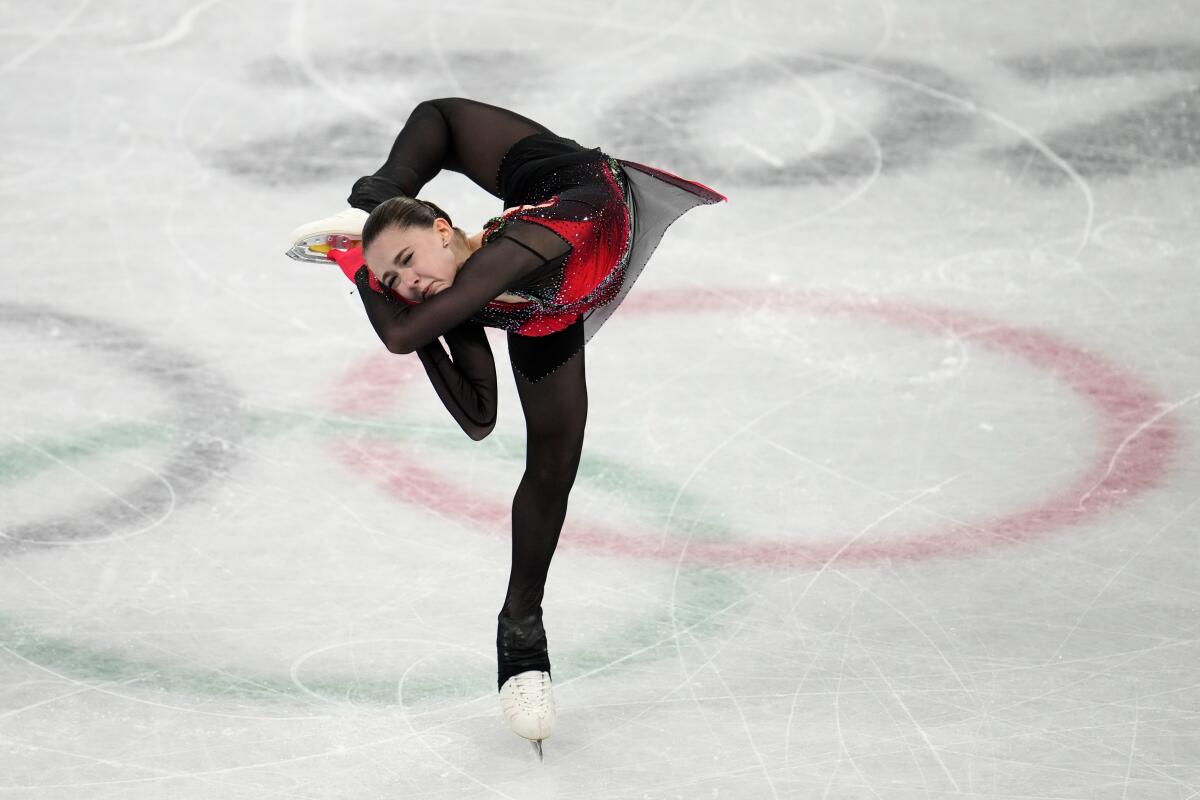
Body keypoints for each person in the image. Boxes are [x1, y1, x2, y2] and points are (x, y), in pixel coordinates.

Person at [286, 98, 725, 754]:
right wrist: (377, 276)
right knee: (551, 465)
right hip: (544, 311)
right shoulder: (462, 288)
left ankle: (371, 203)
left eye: (406, 258)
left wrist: (359, 252)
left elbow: (404, 335)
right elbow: (476, 414)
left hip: (577, 194)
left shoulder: (510, 253)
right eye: (392, 278)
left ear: (441, 229)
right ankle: (522, 635)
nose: (407, 282)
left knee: (438, 128)